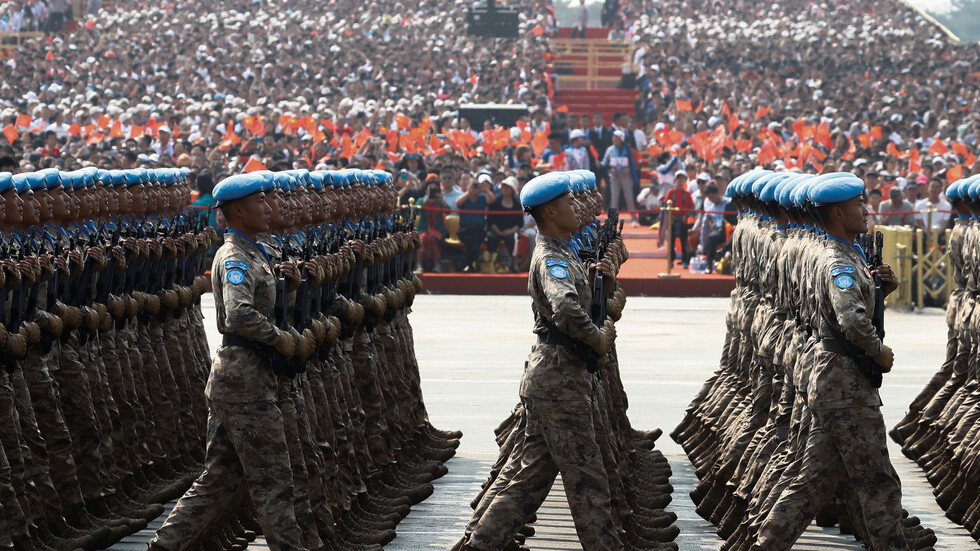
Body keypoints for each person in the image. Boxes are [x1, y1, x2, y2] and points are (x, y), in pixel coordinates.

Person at [455, 172, 619, 551]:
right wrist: (599, 340)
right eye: (568, 203)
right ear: (549, 212)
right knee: (588, 481)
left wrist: (603, 288)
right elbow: (564, 308)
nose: (577, 208)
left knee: (529, 479)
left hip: (557, 376)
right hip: (558, 380)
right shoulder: (551, 258)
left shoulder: (563, 252)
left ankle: (478, 546)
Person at [149, 172, 308, 551]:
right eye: (260, 202)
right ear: (238, 210)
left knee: (221, 478)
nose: (268, 208)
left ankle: (165, 546)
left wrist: (292, 285)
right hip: (245, 381)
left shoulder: (255, 250)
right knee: (273, 479)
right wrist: (281, 338)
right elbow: (238, 315)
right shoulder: (235, 255)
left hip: (243, 378)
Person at [753, 175, 908, 551]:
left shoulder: (844, 251)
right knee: (877, 483)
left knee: (812, 484)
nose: (866, 209)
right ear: (838, 213)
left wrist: (878, 289)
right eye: (859, 204)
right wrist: (877, 351)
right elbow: (851, 320)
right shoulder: (838, 260)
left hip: (833, 382)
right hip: (846, 384)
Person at [456, 176, 496, 272]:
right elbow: (458, 203)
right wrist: (468, 192)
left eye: (476, 186)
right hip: (464, 230)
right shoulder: (464, 197)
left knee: (473, 237)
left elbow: (492, 200)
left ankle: (469, 264)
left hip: (479, 230)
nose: (475, 188)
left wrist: (485, 190)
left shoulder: (482, 197)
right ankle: (475, 261)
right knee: (472, 235)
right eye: (473, 185)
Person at [600, 130, 639, 226]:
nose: (614, 139)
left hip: (625, 175)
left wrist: (635, 179)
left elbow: (632, 165)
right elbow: (604, 163)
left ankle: (634, 219)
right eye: (613, 137)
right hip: (614, 176)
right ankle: (613, 220)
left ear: (621, 139)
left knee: (629, 197)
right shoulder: (610, 150)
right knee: (614, 198)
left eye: (616, 138)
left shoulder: (627, 149)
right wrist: (599, 164)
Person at [486, 178, 523, 271]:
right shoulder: (496, 202)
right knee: (491, 237)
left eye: (508, 187)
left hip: (511, 231)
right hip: (496, 230)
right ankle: (491, 262)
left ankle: (514, 265)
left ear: (513, 190)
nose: (506, 189)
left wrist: (509, 231)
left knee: (513, 239)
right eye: (504, 187)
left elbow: (519, 223)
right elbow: (490, 220)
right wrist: (498, 231)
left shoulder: (517, 205)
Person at [662, 170, 695, 268]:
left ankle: (685, 260)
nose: (680, 181)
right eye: (678, 179)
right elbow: (666, 206)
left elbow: (691, 208)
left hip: (683, 221)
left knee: (684, 242)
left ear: (685, 180)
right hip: (672, 221)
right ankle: (671, 260)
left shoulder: (687, 194)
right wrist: (670, 217)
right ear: (675, 180)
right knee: (671, 243)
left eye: (682, 179)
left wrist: (686, 215)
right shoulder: (671, 192)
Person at [692, 183, 726, 273]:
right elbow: (705, 227)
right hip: (718, 232)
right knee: (711, 237)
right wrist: (702, 244)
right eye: (709, 198)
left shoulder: (729, 203)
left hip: (730, 230)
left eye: (712, 197)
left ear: (717, 193)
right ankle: (709, 264)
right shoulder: (710, 209)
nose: (711, 200)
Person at [417, 182, 451, 272]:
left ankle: (437, 264)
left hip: (437, 230)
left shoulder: (439, 202)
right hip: (423, 229)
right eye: (430, 188)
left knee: (432, 238)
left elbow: (448, 211)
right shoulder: (422, 200)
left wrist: (442, 199)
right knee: (423, 237)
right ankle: (419, 264)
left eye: (434, 189)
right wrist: (427, 198)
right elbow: (417, 209)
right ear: (426, 190)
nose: (432, 190)